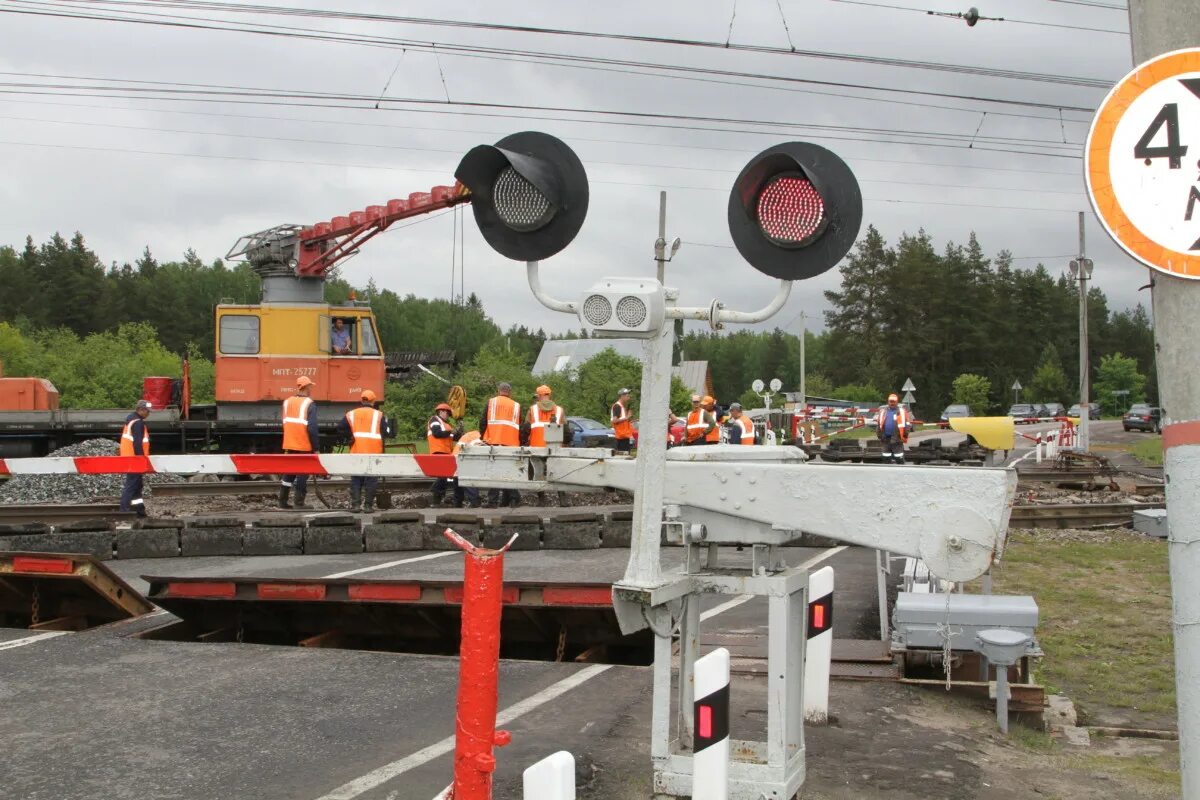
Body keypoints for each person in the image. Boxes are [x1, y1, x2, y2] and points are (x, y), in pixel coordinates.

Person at [339, 389, 390, 513]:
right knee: (371, 479)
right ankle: (368, 506)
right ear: (373, 401)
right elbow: (387, 432)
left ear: (362, 400)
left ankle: (355, 506)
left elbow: (340, 428)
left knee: (356, 479)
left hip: (356, 451)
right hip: (373, 452)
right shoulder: (379, 415)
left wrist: (349, 438)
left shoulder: (351, 414)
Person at [280, 376, 320, 509]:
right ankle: (299, 502)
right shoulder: (309, 403)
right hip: (303, 443)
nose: (311, 389)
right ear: (306, 387)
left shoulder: (287, 402)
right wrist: (316, 448)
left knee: (289, 471)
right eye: (310, 387)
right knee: (303, 473)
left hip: (290, 443)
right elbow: (312, 428)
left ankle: (283, 501)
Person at [480, 382, 521, 507]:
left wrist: (483, 437)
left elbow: (483, 421)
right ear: (510, 392)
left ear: (499, 391)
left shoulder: (491, 402)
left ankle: (493, 501)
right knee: (508, 472)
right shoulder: (516, 405)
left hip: (493, 442)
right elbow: (520, 424)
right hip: (511, 443)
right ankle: (513, 499)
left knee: (494, 471)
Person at [119, 399, 152, 517]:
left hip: (130, 459)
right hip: (135, 460)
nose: (148, 413)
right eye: (147, 411)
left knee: (137, 486)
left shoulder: (131, 421)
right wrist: (141, 460)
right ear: (140, 410)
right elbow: (137, 444)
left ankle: (139, 510)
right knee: (132, 485)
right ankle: (124, 512)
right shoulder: (138, 423)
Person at [426, 402, 463, 506]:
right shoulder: (434, 420)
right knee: (444, 476)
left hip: (446, 453)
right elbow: (437, 433)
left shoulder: (447, 425)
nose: (448, 416)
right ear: (441, 411)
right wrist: (452, 432)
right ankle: (435, 493)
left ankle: (437, 497)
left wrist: (460, 432)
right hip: (438, 451)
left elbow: (454, 437)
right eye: (447, 413)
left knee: (447, 476)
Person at [876, 392, 912, 464]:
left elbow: (908, 424)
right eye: (890, 401)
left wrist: (905, 434)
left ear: (897, 402)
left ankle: (900, 473)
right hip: (885, 439)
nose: (892, 403)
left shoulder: (902, 411)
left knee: (899, 458)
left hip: (897, 439)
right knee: (886, 458)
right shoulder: (883, 411)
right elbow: (879, 423)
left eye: (894, 402)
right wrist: (879, 435)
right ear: (888, 402)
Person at [610, 388, 634, 453]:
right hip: (621, 437)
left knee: (626, 455)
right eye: (627, 395)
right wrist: (627, 417)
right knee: (623, 456)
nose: (629, 397)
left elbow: (622, 421)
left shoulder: (621, 406)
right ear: (622, 396)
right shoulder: (617, 406)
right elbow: (615, 421)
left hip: (624, 436)